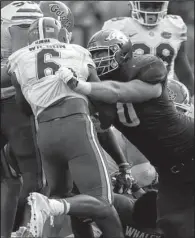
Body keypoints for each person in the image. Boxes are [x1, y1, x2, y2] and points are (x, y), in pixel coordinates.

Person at [62, 28, 194, 238]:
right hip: (169, 170)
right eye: (94, 54)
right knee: (169, 224)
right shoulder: (98, 89)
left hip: (190, 149)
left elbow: (119, 91)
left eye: (103, 53)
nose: (98, 59)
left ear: (123, 53)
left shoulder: (144, 69)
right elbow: (101, 130)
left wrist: (81, 86)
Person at [3, 17, 125, 238]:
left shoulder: (18, 58)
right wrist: (105, 120)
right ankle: (44, 208)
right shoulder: (77, 51)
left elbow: (24, 107)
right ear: (61, 34)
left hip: (45, 134)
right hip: (75, 125)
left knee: (64, 199)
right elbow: (100, 95)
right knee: (102, 202)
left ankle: (37, 222)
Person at [1, 2, 44, 236]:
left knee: (25, 178)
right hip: (10, 104)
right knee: (12, 178)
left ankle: (24, 230)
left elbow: (19, 64)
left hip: (14, 101)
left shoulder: (21, 10)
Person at [102, 1, 194, 98]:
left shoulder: (175, 26)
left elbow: (183, 71)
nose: (150, 11)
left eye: (156, 6)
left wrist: (191, 97)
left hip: (166, 96)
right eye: (145, 6)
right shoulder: (118, 27)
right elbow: (106, 71)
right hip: (130, 95)